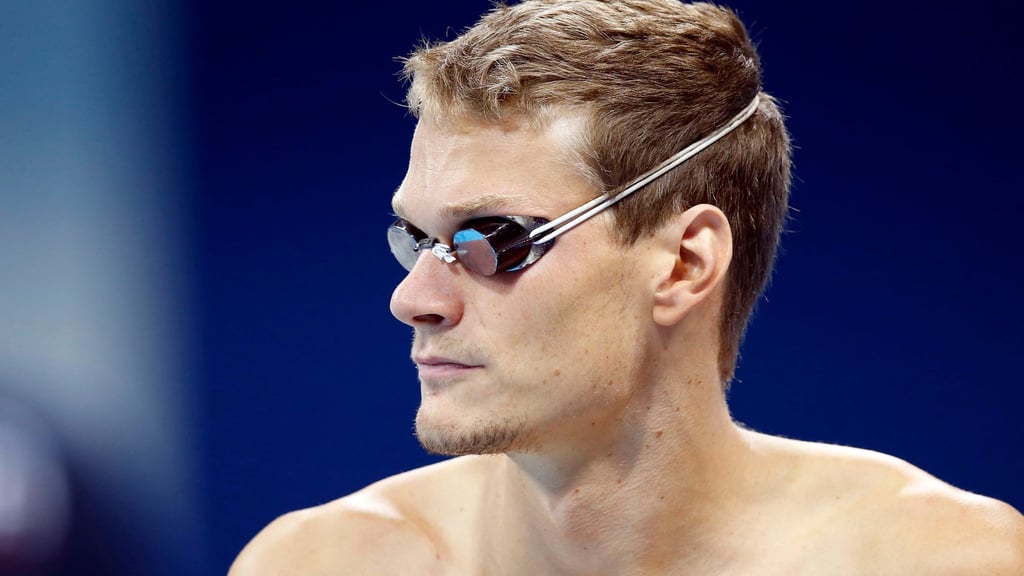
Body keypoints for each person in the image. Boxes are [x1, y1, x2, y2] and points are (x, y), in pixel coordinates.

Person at [230, 1, 1024, 573]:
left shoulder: (937, 560)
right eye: (420, 238)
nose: (415, 300)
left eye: (493, 239)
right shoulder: (323, 562)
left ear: (684, 264)